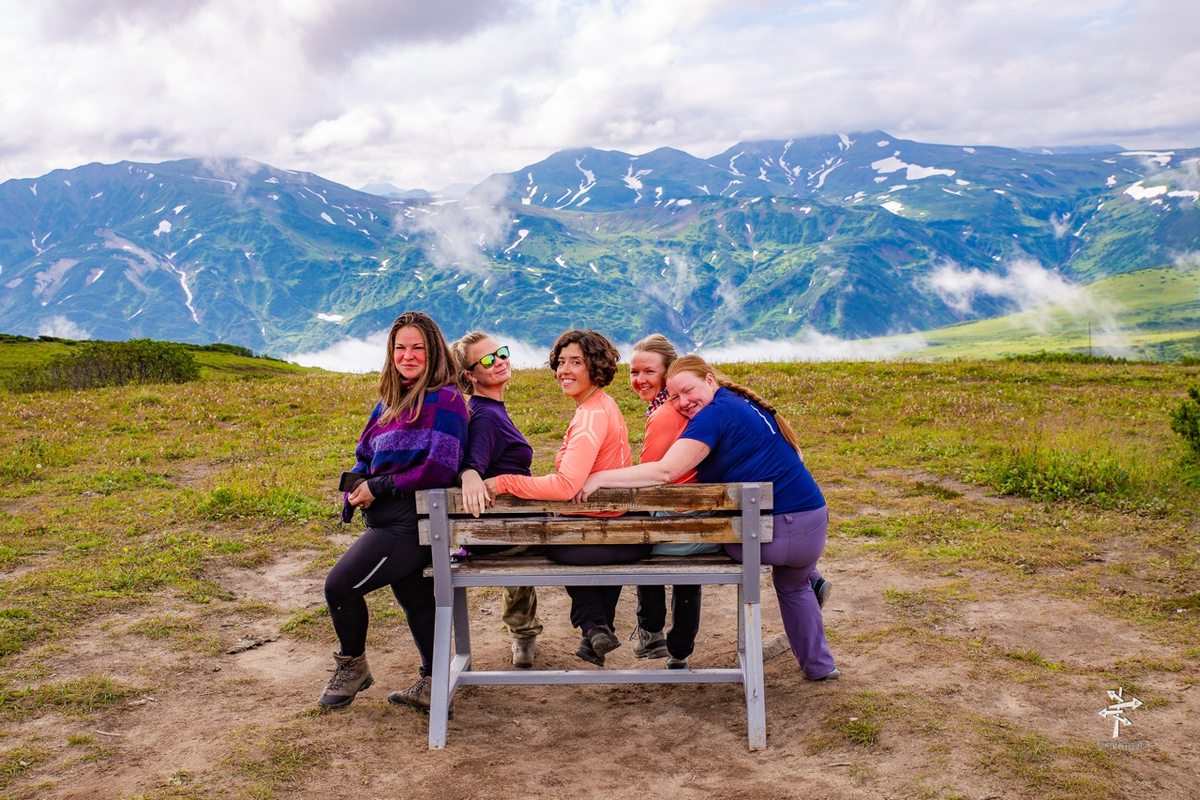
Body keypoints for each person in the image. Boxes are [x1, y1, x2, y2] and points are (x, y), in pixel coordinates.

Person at [577, 355, 839, 681]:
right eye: (675, 397)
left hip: (764, 540)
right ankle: (820, 666)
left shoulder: (712, 417)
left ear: (710, 380)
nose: (684, 402)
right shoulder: (743, 403)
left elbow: (666, 470)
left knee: (671, 543)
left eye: (689, 391)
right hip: (811, 527)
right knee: (793, 586)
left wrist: (601, 478)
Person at [318, 311, 469, 710]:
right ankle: (435, 684)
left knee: (340, 587)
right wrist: (358, 484)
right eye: (400, 347)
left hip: (413, 523)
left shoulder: (446, 399)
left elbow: (441, 467)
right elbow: (365, 453)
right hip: (389, 517)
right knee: (416, 600)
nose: (408, 355)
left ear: (433, 350)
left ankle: (353, 666)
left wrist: (379, 486)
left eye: (418, 347)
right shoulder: (390, 400)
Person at [483, 330, 649, 667]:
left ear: (595, 367)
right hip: (627, 534)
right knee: (571, 533)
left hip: (601, 540)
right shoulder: (605, 405)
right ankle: (596, 634)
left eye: (576, 362)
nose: (564, 370)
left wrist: (504, 481)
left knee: (556, 541)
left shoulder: (590, 417)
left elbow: (564, 487)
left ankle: (593, 624)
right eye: (561, 362)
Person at [449, 332, 542, 669]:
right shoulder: (486, 415)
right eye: (488, 359)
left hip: (501, 528)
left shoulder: (487, 409)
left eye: (502, 353)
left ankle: (524, 634)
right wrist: (470, 474)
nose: (500, 361)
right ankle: (588, 624)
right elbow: (474, 461)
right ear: (470, 376)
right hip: (503, 533)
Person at [626, 334, 708, 669]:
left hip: (674, 527)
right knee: (686, 570)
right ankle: (681, 649)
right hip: (707, 523)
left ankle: (651, 630)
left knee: (635, 530)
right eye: (633, 372)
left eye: (648, 371)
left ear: (668, 372)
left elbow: (648, 477)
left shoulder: (663, 414)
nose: (639, 380)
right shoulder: (698, 404)